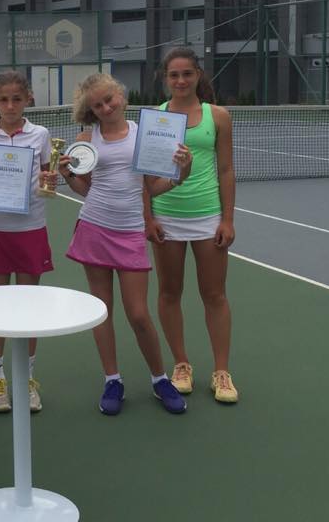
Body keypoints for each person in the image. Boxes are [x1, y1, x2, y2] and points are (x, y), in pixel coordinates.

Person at [60, 73, 191, 415]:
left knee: (138, 314)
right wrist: (67, 175)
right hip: (94, 228)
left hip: (131, 232)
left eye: (109, 99)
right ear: (90, 110)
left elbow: (154, 187)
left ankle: (160, 379)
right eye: (97, 105)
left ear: (121, 95)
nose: (106, 107)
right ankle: (112, 380)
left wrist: (183, 171)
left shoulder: (144, 134)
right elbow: (85, 189)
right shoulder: (86, 140)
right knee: (102, 310)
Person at [144, 47, 239, 404]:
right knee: (169, 292)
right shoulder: (156, 118)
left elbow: (226, 170)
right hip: (166, 215)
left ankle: (221, 372)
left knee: (214, 295)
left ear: (198, 75)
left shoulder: (219, 116)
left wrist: (227, 219)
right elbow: (145, 174)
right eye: (174, 75)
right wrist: (148, 217)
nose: (181, 80)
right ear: (165, 79)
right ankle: (181, 365)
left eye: (187, 74)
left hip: (207, 216)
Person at [0, 70, 57, 414]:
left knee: (29, 308)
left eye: (16, 99)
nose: (9, 106)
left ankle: (27, 379)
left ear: (28, 99)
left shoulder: (41, 135)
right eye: (3, 99)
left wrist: (50, 180)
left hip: (31, 228)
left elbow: (48, 177)